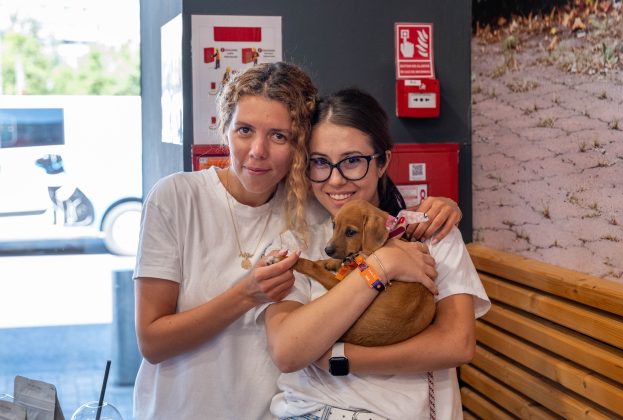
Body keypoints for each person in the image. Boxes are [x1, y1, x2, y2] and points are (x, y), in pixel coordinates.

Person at [133, 63, 461, 420]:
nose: (258, 150)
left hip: (269, 412)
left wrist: (439, 210)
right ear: (224, 129)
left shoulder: (316, 208)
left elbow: (368, 215)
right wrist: (247, 295)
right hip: (182, 409)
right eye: (244, 130)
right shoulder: (176, 198)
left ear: (298, 147)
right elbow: (152, 342)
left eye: (279, 136)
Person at [261, 88, 491, 420]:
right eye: (320, 163)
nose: (335, 179)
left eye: (352, 161)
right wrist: (383, 265)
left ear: (382, 162)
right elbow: (287, 350)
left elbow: (457, 343)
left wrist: (339, 358)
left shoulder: (431, 234)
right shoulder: (296, 243)